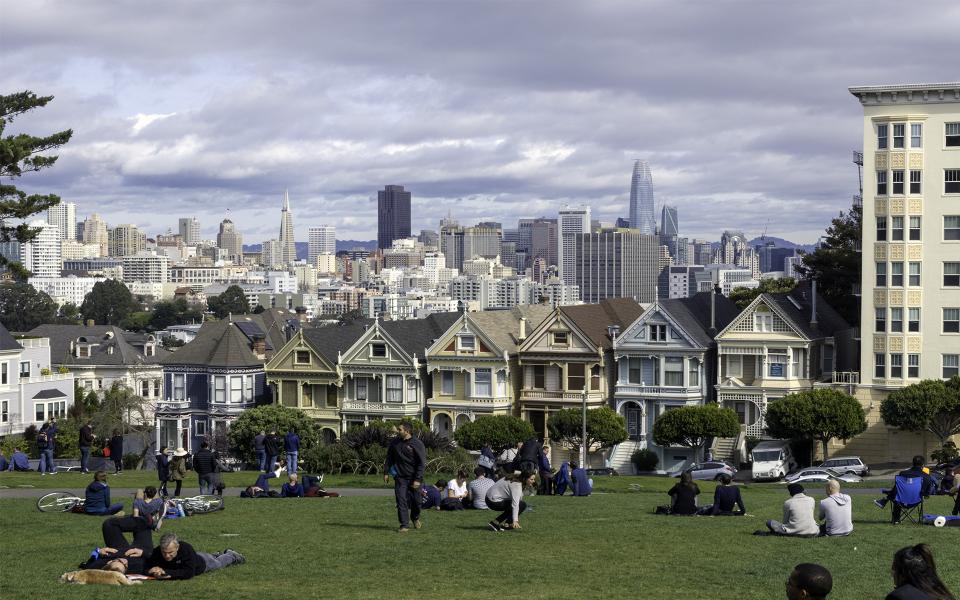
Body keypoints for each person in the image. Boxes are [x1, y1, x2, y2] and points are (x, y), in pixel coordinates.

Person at [383, 421, 427, 532]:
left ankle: (415, 518)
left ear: (407, 431)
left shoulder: (417, 444)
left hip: (415, 478)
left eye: (400, 429)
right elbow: (389, 458)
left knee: (417, 502)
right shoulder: (395, 443)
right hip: (400, 477)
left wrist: (417, 479)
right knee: (401, 500)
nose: (397, 431)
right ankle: (404, 525)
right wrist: (386, 472)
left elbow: (421, 463)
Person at [146, 533, 244, 580]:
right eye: (164, 552)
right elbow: (146, 565)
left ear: (177, 547)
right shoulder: (157, 551)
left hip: (203, 563)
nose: (167, 555)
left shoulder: (186, 549)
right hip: (196, 556)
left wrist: (166, 573)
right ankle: (217, 554)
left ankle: (232, 555)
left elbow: (189, 573)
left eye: (170, 552)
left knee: (218, 563)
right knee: (211, 556)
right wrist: (151, 570)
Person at [874, 455, 936, 522]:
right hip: (916, 500)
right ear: (923, 465)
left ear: (912, 463)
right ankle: (886, 498)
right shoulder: (926, 476)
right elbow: (927, 494)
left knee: (898, 494)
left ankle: (895, 518)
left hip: (900, 500)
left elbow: (898, 488)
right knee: (898, 493)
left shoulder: (903, 473)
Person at [887, 544, 956, 600]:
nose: (892, 574)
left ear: (902, 573)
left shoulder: (897, 596)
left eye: (894, 569)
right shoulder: (941, 592)